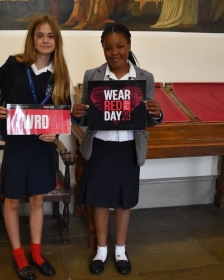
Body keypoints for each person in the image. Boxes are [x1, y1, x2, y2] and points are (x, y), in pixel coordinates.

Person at [0, 14, 71, 280]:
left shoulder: (60, 74)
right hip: (17, 145)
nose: (45, 40)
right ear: (32, 38)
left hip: (42, 148)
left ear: (57, 40)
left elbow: (63, 115)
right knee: (11, 201)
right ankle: (19, 256)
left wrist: (54, 132)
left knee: (37, 200)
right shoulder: (14, 65)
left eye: (50, 36)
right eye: (40, 35)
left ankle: (37, 254)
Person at [71, 23, 162, 275]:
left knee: (124, 202)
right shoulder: (93, 76)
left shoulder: (145, 77)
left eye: (120, 46)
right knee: (99, 202)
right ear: (102, 49)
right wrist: (76, 114)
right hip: (99, 147)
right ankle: (101, 250)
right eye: (108, 47)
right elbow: (88, 117)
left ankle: (120, 251)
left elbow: (149, 118)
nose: (114, 52)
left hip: (128, 149)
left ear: (129, 46)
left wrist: (156, 113)